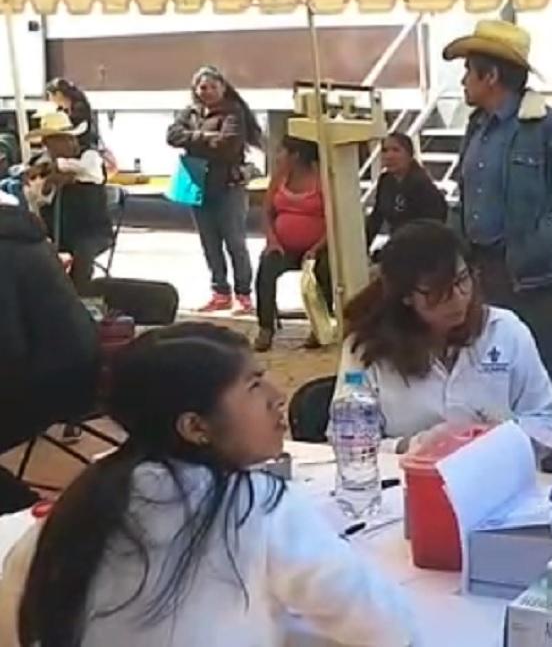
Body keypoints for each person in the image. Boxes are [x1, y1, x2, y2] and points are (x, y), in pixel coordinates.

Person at [3, 323, 415, 647]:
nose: (277, 396)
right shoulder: (259, 506)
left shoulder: (75, 508)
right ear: (195, 427)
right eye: (253, 386)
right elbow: (385, 627)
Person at [444, 20, 552, 447]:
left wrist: (541, 243)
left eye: (468, 71)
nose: (463, 80)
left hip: (540, 280)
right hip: (487, 274)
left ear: (491, 76)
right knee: (496, 379)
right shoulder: (477, 127)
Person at [334, 220, 552, 453]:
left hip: (496, 476)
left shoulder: (505, 331)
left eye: (462, 280)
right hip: (405, 480)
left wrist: (506, 437)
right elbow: (348, 438)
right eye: (437, 292)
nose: (457, 298)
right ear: (406, 296)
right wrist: (411, 446)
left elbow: (545, 420)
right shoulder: (366, 347)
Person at [0, 196, 100, 513]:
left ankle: (27, 519)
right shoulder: (19, 233)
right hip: (73, 373)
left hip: (44, 385)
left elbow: (8, 349)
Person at [167, 65, 261, 315]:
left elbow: (228, 144)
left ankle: (244, 294)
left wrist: (193, 139)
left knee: (235, 242)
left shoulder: (233, 112)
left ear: (223, 87)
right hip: (198, 185)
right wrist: (205, 137)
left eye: (212, 87)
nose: (207, 92)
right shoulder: (191, 112)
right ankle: (220, 292)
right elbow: (172, 135)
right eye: (203, 87)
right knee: (209, 243)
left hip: (228, 186)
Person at [254, 135, 331, 353]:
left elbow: (332, 220)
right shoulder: (279, 177)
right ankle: (266, 327)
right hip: (283, 246)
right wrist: (272, 239)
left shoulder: (321, 178)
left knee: (324, 271)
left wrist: (316, 248)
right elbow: (267, 211)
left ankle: (319, 328)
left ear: (295, 155)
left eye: (281, 151)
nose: (277, 156)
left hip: (317, 247)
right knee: (266, 269)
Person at [29, 110, 113, 295]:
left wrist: (59, 169)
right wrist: (49, 181)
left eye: (71, 138)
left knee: (83, 253)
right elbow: (37, 195)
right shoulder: (40, 163)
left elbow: (89, 172)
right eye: (62, 140)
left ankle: (78, 297)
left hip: (93, 232)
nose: (71, 143)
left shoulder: (89, 157)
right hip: (55, 232)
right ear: (48, 144)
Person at [366, 132, 447, 246]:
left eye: (396, 150)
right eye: (385, 150)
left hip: (422, 247)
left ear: (409, 155)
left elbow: (433, 226)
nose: (389, 156)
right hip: (398, 244)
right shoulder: (385, 181)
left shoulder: (422, 185)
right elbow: (376, 218)